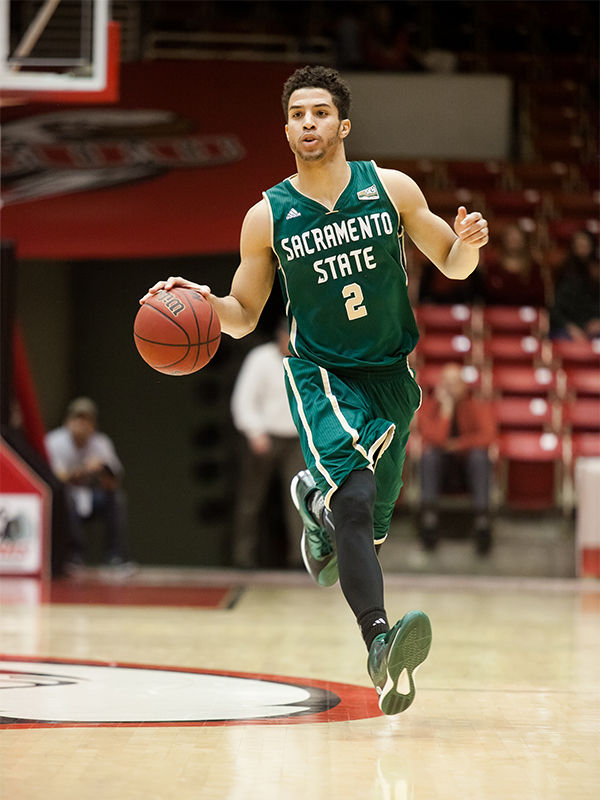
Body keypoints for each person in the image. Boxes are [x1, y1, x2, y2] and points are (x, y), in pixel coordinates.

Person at [141, 66, 489, 715]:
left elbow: (453, 262)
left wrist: (468, 244)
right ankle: (379, 643)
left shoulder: (391, 188)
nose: (309, 122)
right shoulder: (267, 216)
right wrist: (197, 302)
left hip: (390, 377)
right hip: (321, 374)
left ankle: (316, 507)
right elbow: (244, 313)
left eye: (321, 112)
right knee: (356, 499)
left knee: (370, 525)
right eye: (298, 113)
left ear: (343, 124)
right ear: (286, 128)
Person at [230, 319, 305, 569]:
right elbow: (243, 399)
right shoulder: (260, 359)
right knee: (251, 499)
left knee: (299, 502)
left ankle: (300, 559)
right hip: (265, 437)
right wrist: (254, 432)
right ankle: (243, 557)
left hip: (297, 441)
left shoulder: (307, 361)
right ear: (280, 335)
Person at [45, 397, 133, 574]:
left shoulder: (101, 443)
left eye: (86, 419)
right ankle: (73, 556)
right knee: (66, 497)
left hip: (91, 497)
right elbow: (57, 479)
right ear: (68, 421)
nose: (81, 424)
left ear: (93, 424)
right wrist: (85, 469)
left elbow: (114, 483)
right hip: (65, 502)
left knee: (117, 499)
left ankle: (115, 557)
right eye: (77, 418)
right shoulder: (55, 440)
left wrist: (103, 471)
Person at [416, 363, 497, 555]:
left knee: (480, 456)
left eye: (455, 383)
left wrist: (459, 445)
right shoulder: (430, 407)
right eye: (447, 383)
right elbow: (433, 438)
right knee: (429, 455)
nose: (450, 388)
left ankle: (482, 522)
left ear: (464, 385)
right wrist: (446, 410)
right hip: (441, 471)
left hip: (467, 470)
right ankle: (429, 520)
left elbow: (488, 436)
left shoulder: (476, 405)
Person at [549, 230, 600, 340]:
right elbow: (555, 308)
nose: (581, 248)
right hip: (567, 327)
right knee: (561, 339)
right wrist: (571, 327)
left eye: (584, 244)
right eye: (578, 244)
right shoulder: (563, 271)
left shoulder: (597, 272)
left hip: (595, 326)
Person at [482, 223, 548, 307]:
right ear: (504, 240)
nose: (513, 240)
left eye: (517, 237)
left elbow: (540, 298)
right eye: (510, 237)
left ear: (524, 240)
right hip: (496, 315)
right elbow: (485, 296)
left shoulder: (534, 269)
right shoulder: (493, 268)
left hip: (527, 315)